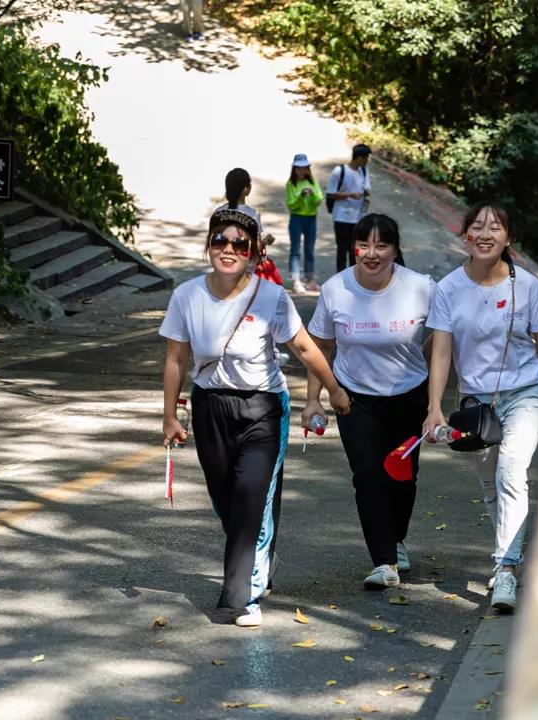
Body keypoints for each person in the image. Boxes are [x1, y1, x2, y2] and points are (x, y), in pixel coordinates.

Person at [160, 206, 350, 628]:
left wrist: (333, 389)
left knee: (250, 495)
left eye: (239, 243)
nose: (228, 249)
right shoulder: (187, 296)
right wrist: (170, 416)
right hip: (211, 405)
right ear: (208, 245)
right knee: (225, 498)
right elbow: (176, 358)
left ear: (254, 252)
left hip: (263, 407)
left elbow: (302, 348)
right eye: (219, 241)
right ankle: (261, 554)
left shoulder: (270, 297)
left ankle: (239, 598)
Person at [422, 202, 538, 612]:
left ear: (508, 238)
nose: (486, 233)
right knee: (490, 484)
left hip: (526, 392)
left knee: (511, 470)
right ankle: (510, 550)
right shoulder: (449, 288)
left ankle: (504, 568)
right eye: (477, 227)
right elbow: (440, 352)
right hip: (476, 403)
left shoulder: (527, 287)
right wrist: (435, 407)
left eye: (496, 227)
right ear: (466, 235)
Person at [304, 214, 436, 590]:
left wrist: (434, 388)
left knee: (403, 476)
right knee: (368, 475)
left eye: (382, 246)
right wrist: (315, 398)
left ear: (396, 250)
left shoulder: (421, 287)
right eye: (364, 245)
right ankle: (384, 561)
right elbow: (321, 347)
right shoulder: (335, 290)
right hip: (354, 397)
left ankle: (395, 538)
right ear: (354, 247)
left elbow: (446, 337)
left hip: (410, 394)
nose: (372, 254)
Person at [326, 144, 372, 272]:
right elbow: (330, 193)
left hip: (357, 217)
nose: (367, 161)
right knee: (342, 248)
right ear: (359, 158)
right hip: (341, 217)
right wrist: (349, 195)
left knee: (355, 250)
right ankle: (340, 276)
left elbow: (367, 188)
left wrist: (366, 192)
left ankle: (354, 277)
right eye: (366, 158)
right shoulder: (339, 171)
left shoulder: (363, 171)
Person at [285, 154, 324, 295]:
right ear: (294, 169)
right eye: (299, 168)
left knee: (309, 250)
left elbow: (319, 201)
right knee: (295, 251)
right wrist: (301, 196)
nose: (302, 171)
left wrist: (312, 194)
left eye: (304, 168)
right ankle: (296, 280)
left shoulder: (313, 183)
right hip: (296, 218)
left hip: (311, 219)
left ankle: (309, 279)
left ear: (308, 169)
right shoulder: (290, 185)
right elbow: (291, 205)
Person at [216, 168, 263, 238]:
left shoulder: (218, 212)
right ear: (246, 189)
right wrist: (265, 242)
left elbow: (214, 242)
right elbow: (256, 246)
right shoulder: (253, 215)